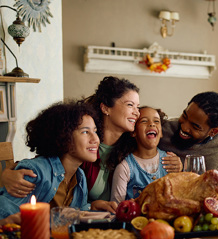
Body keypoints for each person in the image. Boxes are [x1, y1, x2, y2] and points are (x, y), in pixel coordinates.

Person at [1, 77, 183, 212]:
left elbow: (160, 143)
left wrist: (178, 164)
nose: (137, 113)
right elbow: (40, 168)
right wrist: (4, 174)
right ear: (105, 108)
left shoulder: (131, 145)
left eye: (138, 107)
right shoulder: (80, 151)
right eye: (130, 105)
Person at [0, 100, 100, 220]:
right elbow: (6, 216)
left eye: (95, 131)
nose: (95, 139)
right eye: (85, 132)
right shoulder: (34, 171)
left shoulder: (80, 176)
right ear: (64, 136)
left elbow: (79, 214)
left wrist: (92, 207)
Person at [158, 91, 218, 171]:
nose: (184, 127)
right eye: (184, 116)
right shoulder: (163, 128)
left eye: (195, 126)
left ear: (213, 131)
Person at [110, 106, 181, 203]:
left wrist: (180, 170)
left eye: (156, 121)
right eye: (144, 121)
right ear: (133, 132)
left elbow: (179, 197)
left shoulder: (171, 161)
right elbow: (116, 207)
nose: (152, 124)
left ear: (161, 133)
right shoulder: (124, 167)